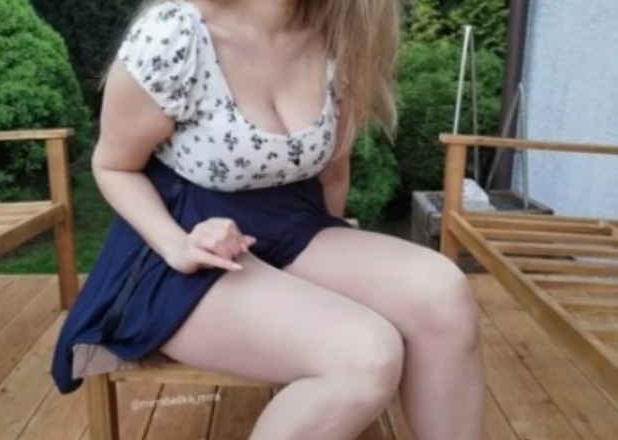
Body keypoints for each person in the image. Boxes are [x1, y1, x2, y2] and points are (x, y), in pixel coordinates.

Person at [51, 0, 485, 439]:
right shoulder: (177, 34)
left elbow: (334, 173)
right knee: (365, 355)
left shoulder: (340, 37)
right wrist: (177, 245)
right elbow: (113, 166)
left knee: (443, 293)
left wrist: (324, 285)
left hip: (292, 223)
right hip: (182, 246)